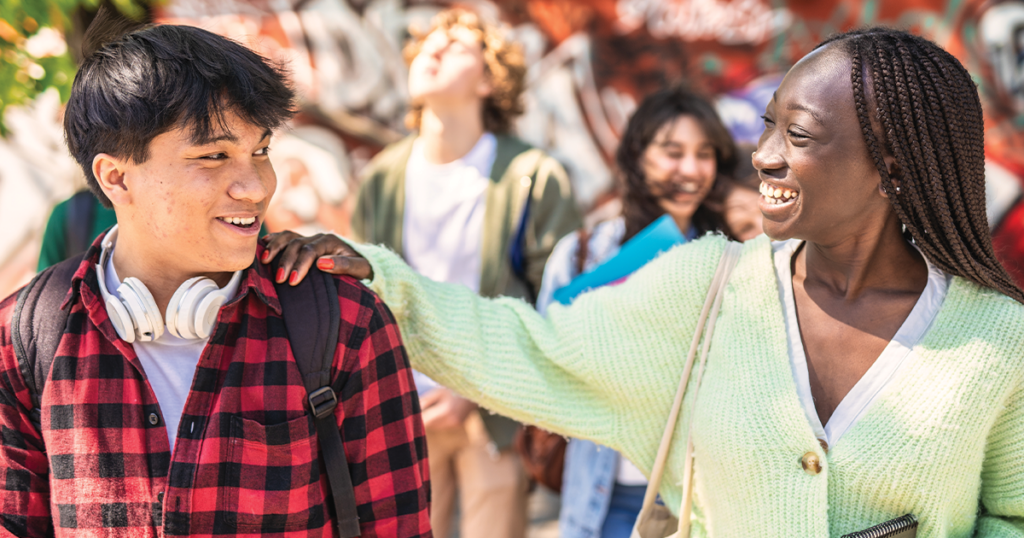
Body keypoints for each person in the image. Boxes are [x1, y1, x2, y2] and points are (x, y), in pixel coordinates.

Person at [267, 28, 1024, 537]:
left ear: (891, 165)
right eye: (765, 127)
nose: (759, 156)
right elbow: (531, 347)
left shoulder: (998, 338)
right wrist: (386, 284)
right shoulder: (708, 289)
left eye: (796, 135)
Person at [0, 14, 430, 537]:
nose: (254, 186)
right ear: (116, 177)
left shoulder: (346, 322)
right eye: (213, 155)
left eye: (260, 150)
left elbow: (399, 526)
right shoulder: (22, 338)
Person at [346, 8, 580, 538]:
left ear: (489, 79)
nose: (431, 50)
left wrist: (471, 385)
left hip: (492, 406)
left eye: (454, 46)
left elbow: (558, 298)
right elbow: (364, 291)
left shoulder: (532, 175)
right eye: (426, 43)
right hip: (399, 403)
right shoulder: (384, 175)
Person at [533, 85, 736, 538]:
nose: (690, 169)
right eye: (672, 152)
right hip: (605, 494)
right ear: (637, 156)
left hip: (702, 498)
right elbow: (543, 357)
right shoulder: (583, 255)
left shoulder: (732, 261)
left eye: (704, 154)